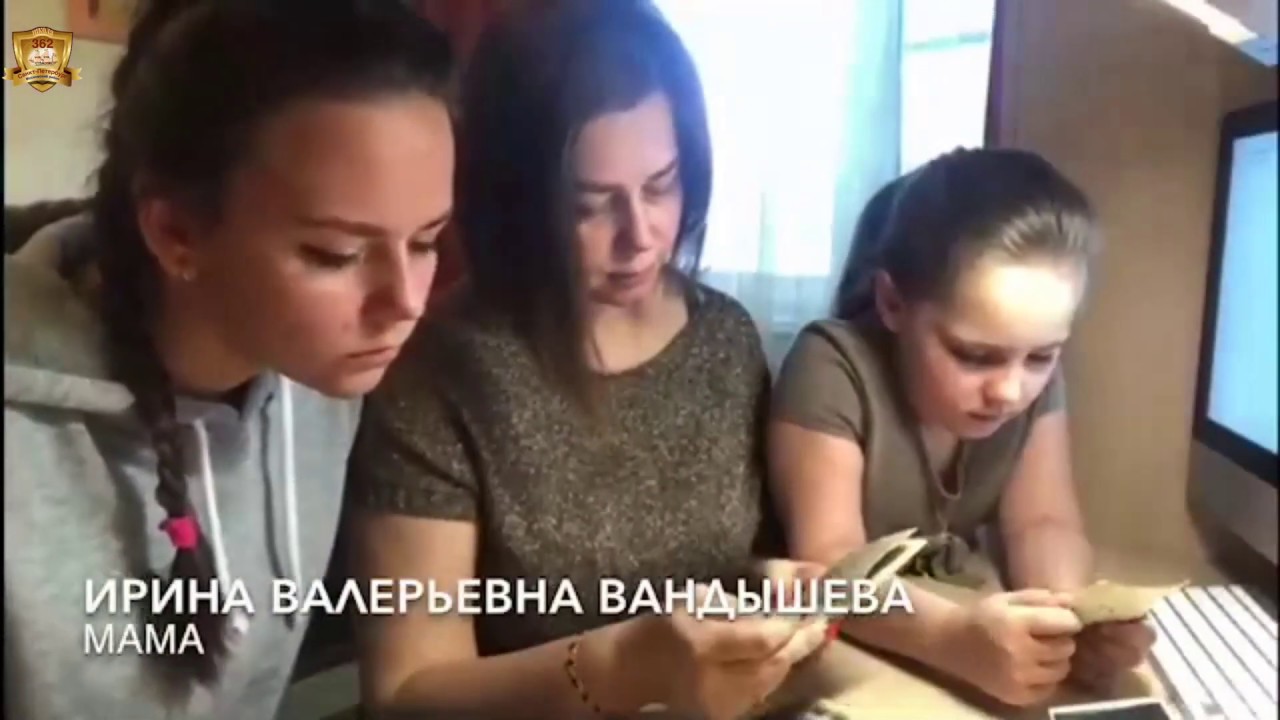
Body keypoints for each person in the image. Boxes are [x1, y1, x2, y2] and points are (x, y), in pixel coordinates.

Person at [348, 2, 828, 718]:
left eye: (661, 186)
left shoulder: (723, 338)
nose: (641, 236)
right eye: (590, 205)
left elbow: (727, 564)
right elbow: (407, 692)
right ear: (517, 202)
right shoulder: (438, 371)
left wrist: (768, 587)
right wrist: (626, 667)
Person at [3, 1, 454, 718]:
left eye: (426, 241)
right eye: (335, 254)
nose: (405, 301)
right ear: (176, 233)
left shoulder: (319, 374)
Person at [768, 149, 1156, 708]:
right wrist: (952, 639)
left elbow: (1042, 521)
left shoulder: (1028, 383)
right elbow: (831, 563)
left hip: (945, 618)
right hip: (822, 649)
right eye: (974, 355)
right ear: (892, 302)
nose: (1010, 391)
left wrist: (1070, 619)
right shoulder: (831, 364)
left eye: (1042, 356)